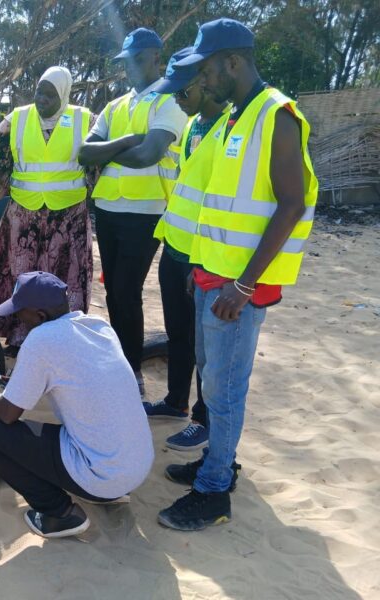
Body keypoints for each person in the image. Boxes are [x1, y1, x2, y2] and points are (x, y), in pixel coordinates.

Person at [157, 18, 318, 530]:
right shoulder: (233, 118)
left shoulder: (276, 115)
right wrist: (202, 267)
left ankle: (214, 490)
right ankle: (217, 463)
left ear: (232, 62)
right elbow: (222, 207)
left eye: (206, 70)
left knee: (225, 388)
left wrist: (244, 284)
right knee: (212, 379)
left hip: (240, 287)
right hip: (213, 277)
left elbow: (291, 203)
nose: (201, 81)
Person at [0, 271, 154, 538]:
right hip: (135, 467)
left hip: (103, 476)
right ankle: (107, 492)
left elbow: (8, 414)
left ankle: (60, 514)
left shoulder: (41, 339)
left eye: (21, 312)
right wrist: (26, 378)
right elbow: (83, 380)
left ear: (40, 315)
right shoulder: (98, 326)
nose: (18, 319)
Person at [79, 27, 188, 397]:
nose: (131, 69)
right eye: (126, 62)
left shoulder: (169, 101)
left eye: (138, 60)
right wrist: (127, 140)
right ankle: (124, 363)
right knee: (113, 293)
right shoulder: (116, 105)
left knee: (127, 290)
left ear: (157, 57)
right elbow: (84, 153)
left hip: (146, 212)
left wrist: (108, 151)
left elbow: (149, 155)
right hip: (108, 209)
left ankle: (131, 372)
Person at [142, 47, 230, 451]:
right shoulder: (194, 126)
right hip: (175, 247)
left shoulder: (231, 129)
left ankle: (203, 418)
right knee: (178, 334)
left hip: (203, 257)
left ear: (205, 80)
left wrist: (201, 262)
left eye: (182, 90)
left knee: (206, 348)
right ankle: (176, 401)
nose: (176, 98)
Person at [0, 66, 94, 356]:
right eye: (39, 92)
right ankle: (20, 337)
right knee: (23, 275)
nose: (41, 99)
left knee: (64, 278)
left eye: (50, 94)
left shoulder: (86, 121)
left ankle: (63, 340)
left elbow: (97, 165)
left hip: (68, 217)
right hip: (24, 216)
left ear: (64, 95)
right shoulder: (15, 120)